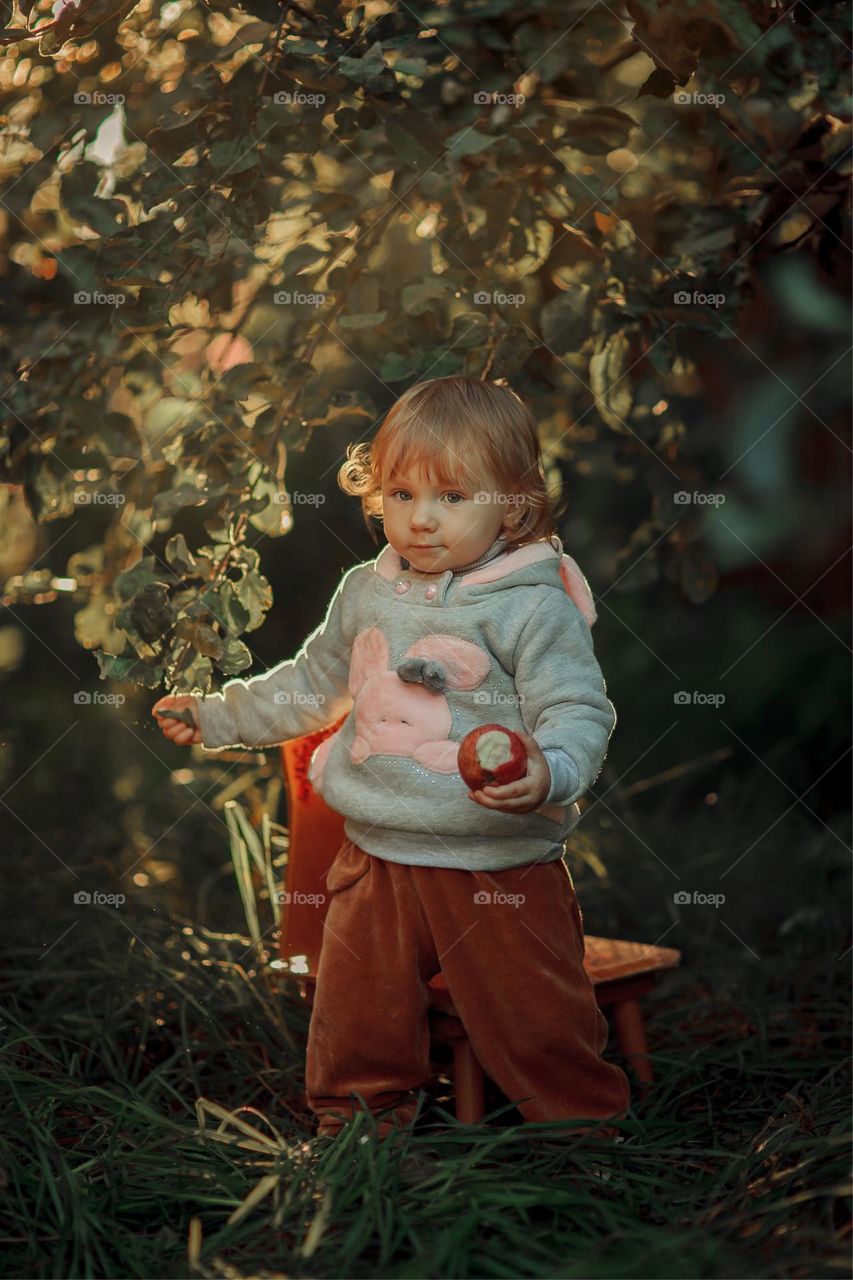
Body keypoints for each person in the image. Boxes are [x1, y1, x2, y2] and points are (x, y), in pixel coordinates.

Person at [153, 375, 631, 1142]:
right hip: (376, 855)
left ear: (511, 504)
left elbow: (575, 709)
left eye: (450, 497)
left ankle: (579, 1131)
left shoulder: (531, 606)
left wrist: (548, 770)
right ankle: (357, 1134)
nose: (421, 520)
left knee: (534, 1011)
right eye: (401, 494)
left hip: (495, 863)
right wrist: (218, 715)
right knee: (358, 1014)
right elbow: (312, 686)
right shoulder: (365, 592)